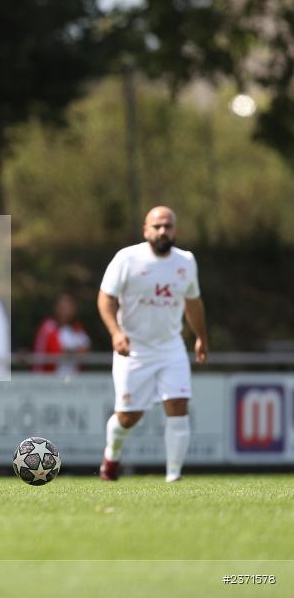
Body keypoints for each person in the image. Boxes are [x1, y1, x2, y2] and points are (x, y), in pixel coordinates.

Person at [97, 206, 209, 483]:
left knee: (178, 405)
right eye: (157, 226)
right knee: (128, 417)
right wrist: (116, 332)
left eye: (168, 226)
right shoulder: (127, 259)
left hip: (171, 348)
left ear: (176, 231)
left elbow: (193, 303)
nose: (163, 231)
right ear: (145, 230)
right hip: (133, 350)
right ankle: (112, 456)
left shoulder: (186, 262)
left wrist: (201, 337)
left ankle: (173, 475)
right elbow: (105, 298)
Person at [32, 293, 90, 375]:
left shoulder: (78, 329)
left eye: (67, 307)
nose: (63, 310)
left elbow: (85, 351)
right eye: (61, 307)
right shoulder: (47, 327)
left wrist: (68, 352)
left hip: (73, 379)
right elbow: (45, 353)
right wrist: (71, 352)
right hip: (50, 379)